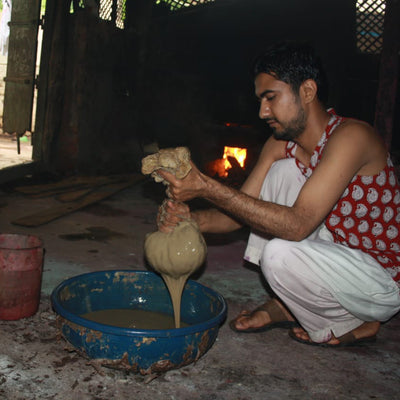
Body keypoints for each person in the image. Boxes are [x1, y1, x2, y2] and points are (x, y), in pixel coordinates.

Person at [156, 42, 400, 347]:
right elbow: (236, 216)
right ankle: (291, 304)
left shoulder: (352, 136)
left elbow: (297, 225)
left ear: (307, 91)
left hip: (381, 279)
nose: (262, 112)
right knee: (281, 171)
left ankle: (354, 320)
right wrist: (190, 220)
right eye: (260, 100)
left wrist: (206, 185)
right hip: (335, 259)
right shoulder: (281, 145)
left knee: (279, 254)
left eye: (271, 98)